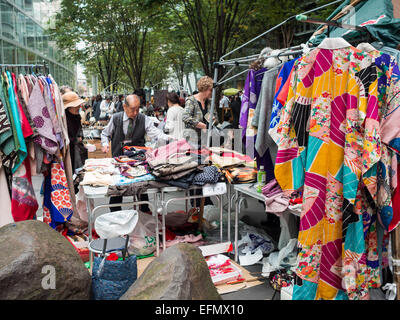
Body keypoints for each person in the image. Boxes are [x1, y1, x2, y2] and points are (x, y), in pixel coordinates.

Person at [101, 94, 172, 212]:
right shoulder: (116, 118)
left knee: (141, 186)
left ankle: (144, 211)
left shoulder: (144, 119)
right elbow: (105, 134)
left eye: (137, 109)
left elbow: (156, 134)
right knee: (117, 189)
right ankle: (115, 214)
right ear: (124, 107)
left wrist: (171, 139)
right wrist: (104, 144)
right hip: (119, 158)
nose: (135, 113)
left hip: (138, 160)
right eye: (132, 109)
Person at [182, 76, 219, 147]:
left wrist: (214, 119)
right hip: (193, 140)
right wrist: (204, 126)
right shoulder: (191, 100)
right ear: (204, 89)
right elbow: (185, 117)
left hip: (207, 140)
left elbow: (217, 120)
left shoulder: (211, 102)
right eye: (210, 90)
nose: (212, 93)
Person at [62, 91, 88, 175]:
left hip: (76, 150)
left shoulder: (77, 116)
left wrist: (80, 136)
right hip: (67, 153)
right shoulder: (63, 120)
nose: (78, 107)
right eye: (76, 105)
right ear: (68, 107)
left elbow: (79, 130)